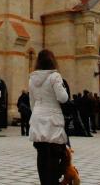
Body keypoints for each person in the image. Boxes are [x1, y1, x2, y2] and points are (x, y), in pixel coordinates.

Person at [28, 49, 69, 185]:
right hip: (52, 118)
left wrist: (37, 113)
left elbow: (32, 101)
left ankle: (44, 182)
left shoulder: (32, 78)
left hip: (37, 116)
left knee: (42, 152)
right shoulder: (54, 76)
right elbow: (63, 98)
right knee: (54, 152)